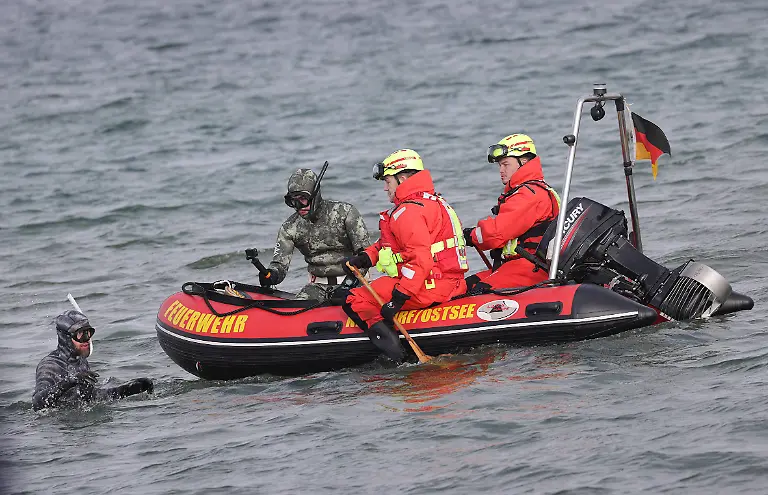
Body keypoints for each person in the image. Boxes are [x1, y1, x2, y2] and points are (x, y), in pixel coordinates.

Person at [343, 149, 469, 362]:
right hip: (452, 282)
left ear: (402, 179)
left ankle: (400, 360)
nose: (385, 187)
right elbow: (392, 245)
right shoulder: (434, 202)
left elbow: (420, 260)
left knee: (354, 299)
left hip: (428, 286)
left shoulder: (408, 212)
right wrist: (366, 257)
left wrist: (399, 298)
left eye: (388, 182)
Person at [462, 134, 560, 290]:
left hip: (529, 267)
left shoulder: (528, 194)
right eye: (500, 165)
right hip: (521, 265)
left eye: (505, 164)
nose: (501, 170)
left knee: (476, 292)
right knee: (466, 285)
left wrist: (470, 236)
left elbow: (497, 233)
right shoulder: (536, 189)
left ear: (524, 162)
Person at [257, 167, 370, 302]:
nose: (298, 205)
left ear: (315, 195)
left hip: (355, 282)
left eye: (303, 198)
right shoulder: (290, 227)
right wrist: (271, 274)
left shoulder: (345, 213)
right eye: (293, 200)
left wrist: (348, 284)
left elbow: (366, 255)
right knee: (296, 313)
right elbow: (280, 264)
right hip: (316, 287)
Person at [32, 310, 153, 411]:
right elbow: (37, 403)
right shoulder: (50, 365)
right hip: (60, 429)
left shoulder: (80, 362)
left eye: (88, 333)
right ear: (66, 338)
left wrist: (127, 390)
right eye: (80, 334)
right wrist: (69, 382)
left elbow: (93, 397)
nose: (86, 339)